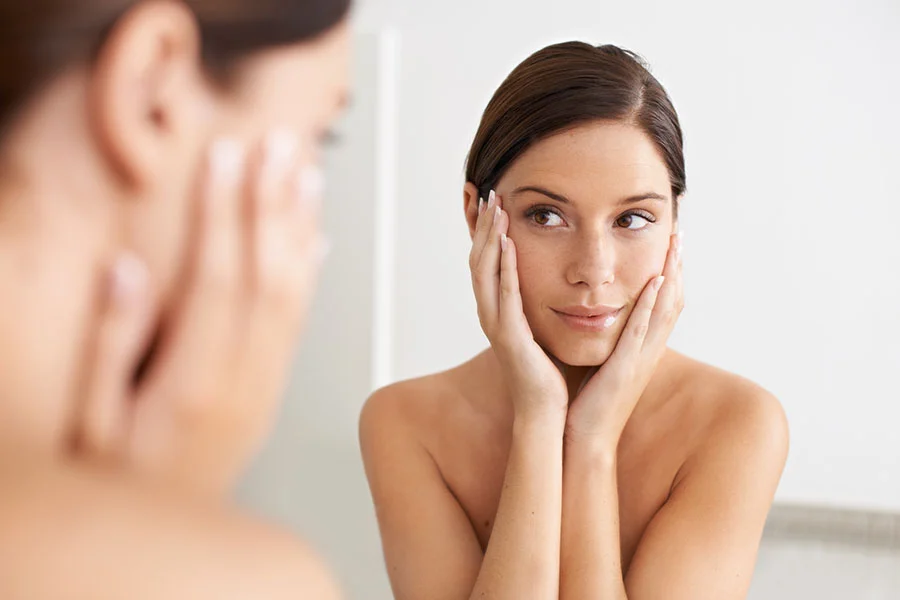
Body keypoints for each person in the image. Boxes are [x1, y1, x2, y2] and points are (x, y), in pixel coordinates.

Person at [360, 41, 789, 600]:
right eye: (547, 215)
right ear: (477, 215)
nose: (594, 271)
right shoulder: (405, 424)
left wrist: (590, 442)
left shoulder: (736, 425)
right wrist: (539, 420)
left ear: (674, 224)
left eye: (633, 218)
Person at [0, 1, 351, 598]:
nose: (316, 235)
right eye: (320, 135)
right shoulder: (248, 583)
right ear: (152, 94)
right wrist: (169, 524)